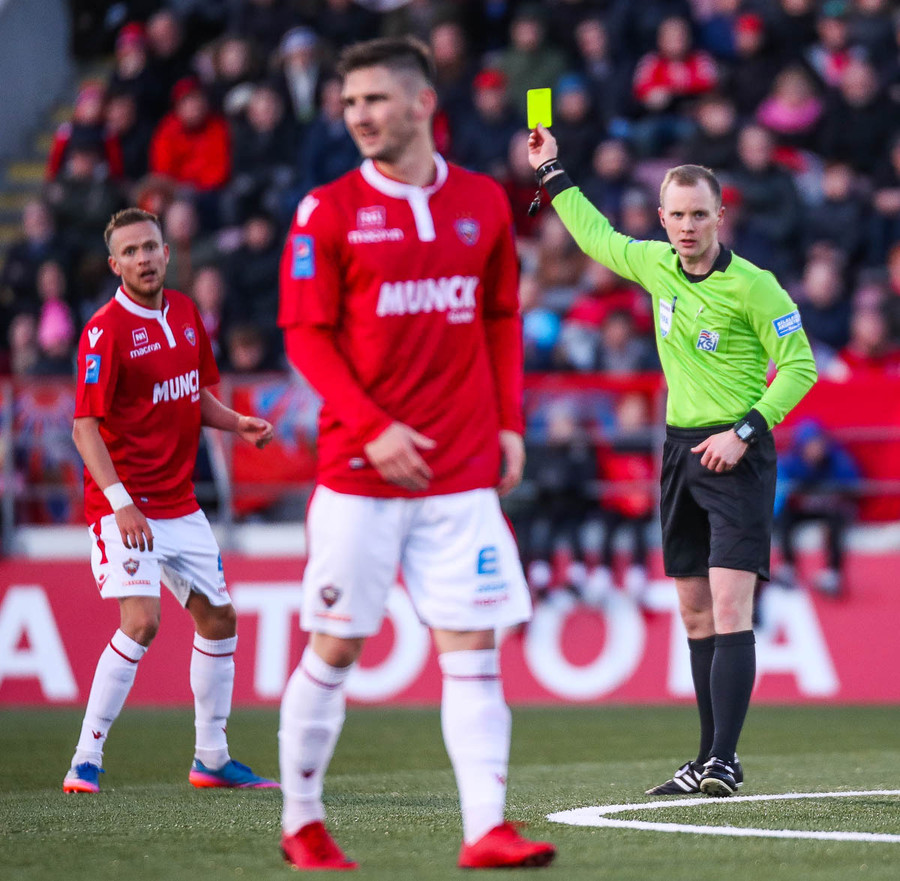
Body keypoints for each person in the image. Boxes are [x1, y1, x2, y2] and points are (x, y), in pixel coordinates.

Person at [277, 37, 556, 871]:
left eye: (374, 99)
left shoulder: (484, 200)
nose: (358, 115)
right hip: (360, 476)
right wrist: (374, 427)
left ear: (422, 103)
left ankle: (486, 829)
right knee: (336, 648)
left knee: (474, 648)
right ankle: (302, 822)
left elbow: (500, 316)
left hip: (462, 472)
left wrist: (509, 422)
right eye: (349, 102)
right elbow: (305, 338)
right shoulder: (324, 211)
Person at [527, 125, 817, 797]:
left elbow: (800, 367)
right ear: (662, 218)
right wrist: (550, 171)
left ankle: (724, 760)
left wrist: (746, 430)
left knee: (730, 605)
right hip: (680, 452)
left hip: (737, 454)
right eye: (677, 215)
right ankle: (705, 757)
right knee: (694, 612)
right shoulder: (656, 265)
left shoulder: (756, 287)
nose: (688, 227)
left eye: (699, 215)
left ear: (720, 216)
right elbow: (595, 236)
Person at [62, 208, 277, 795]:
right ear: (116, 265)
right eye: (130, 251)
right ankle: (85, 759)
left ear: (166, 251)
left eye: (150, 247)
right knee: (142, 621)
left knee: (219, 618)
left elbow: (191, 394)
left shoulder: (184, 312)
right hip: (124, 507)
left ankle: (212, 758)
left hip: (179, 504)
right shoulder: (104, 331)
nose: (144, 258)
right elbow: (84, 427)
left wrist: (236, 424)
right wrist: (121, 502)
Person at [772, 418, 859, 597]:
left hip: (829, 509)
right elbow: (780, 491)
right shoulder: (790, 463)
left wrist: (833, 495)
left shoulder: (839, 461)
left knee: (837, 520)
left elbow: (852, 486)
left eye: (818, 443)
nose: (815, 449)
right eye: (810, 444)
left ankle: (833, 573)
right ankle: (788, 567)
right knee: (784, 518)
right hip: (801, 510)